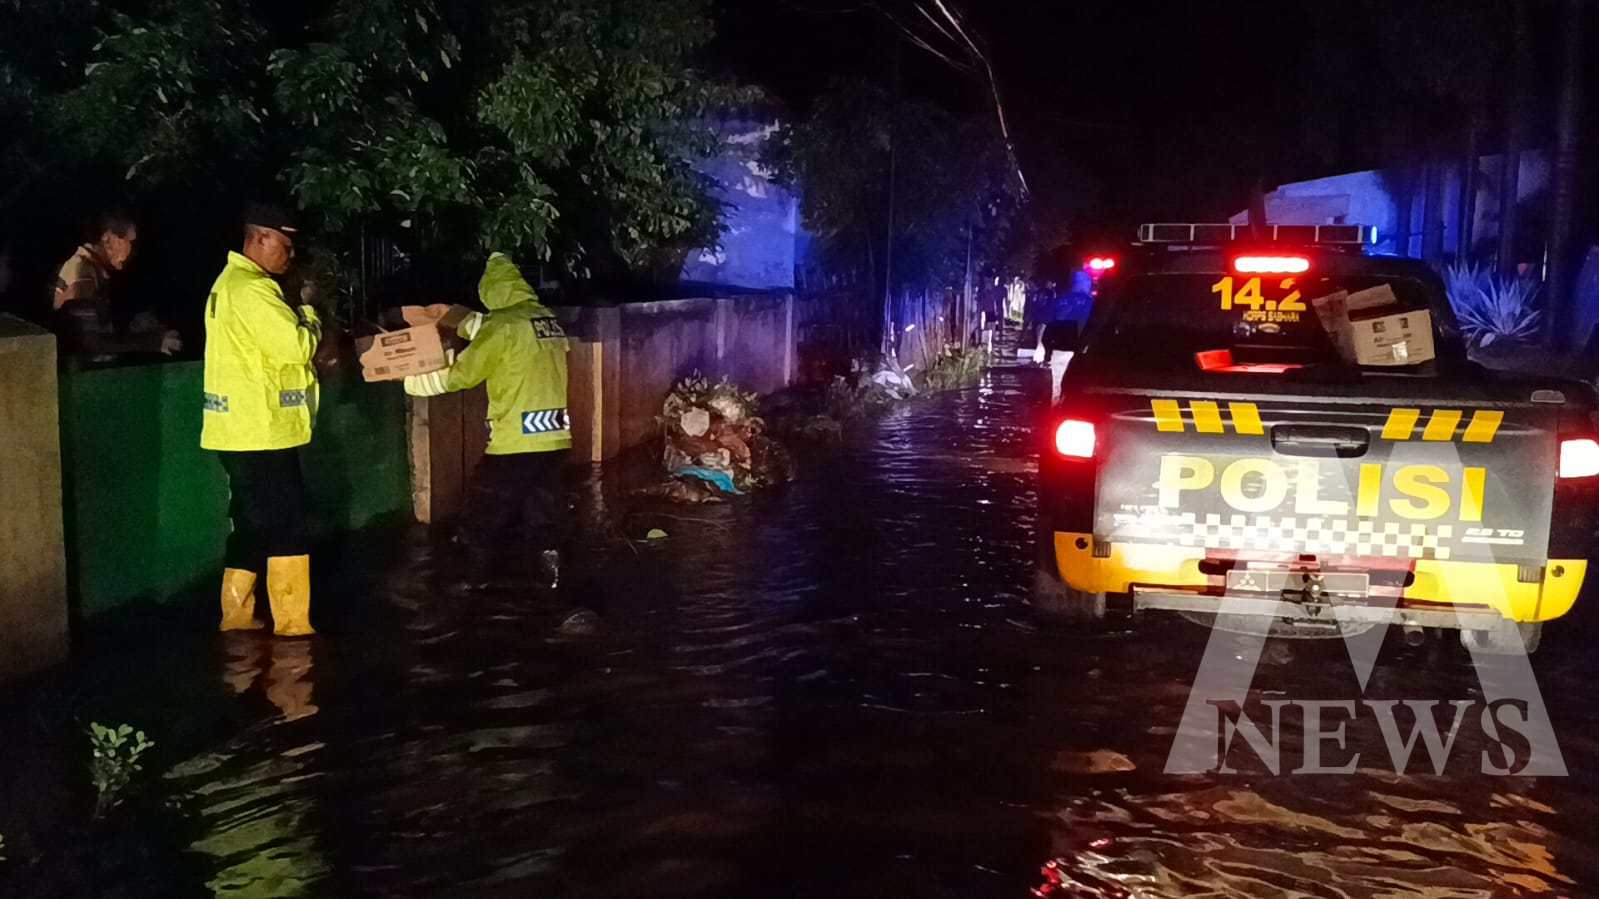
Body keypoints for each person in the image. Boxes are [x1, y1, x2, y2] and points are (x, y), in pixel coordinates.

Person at [403, 253, 571, 590]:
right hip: (554, 439)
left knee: (483, 510)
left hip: (515, 440)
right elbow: (504, 336)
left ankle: (471, 582)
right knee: (542, 512)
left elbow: (464, 372)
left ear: (490, 291)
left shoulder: (502, 326)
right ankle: (549, 575)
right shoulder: (545, 318)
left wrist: (413, 380)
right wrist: (453, 316)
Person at [202, 204, 322, 636]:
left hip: (239, 430)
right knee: (289, 522)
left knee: (252, 523)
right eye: (285, 245)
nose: (289, 255)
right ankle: (292, 626)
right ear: (260, 238)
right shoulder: (253, 290)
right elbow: (294, 349)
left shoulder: (229, 285)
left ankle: (236, 616)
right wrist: (308, 312)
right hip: (263, 430)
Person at [52, 211, 181, 361]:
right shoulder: (83, 273)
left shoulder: (92, 270)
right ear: (108, 239)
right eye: (130, 242)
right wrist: (153, 342)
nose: (133, 251)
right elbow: (89, 342)